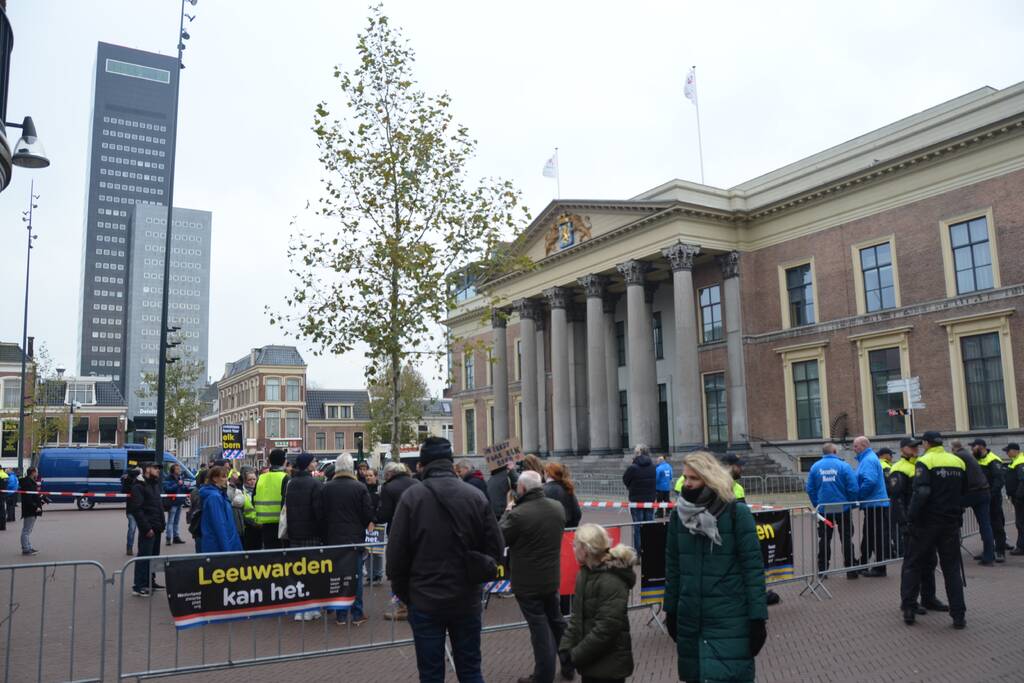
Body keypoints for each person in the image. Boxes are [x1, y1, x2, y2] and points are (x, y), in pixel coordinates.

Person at [386, 437, 504, 682]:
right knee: (471, 669)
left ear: (423, 464)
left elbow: (396, 554)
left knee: (431, 674)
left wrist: (406, 594)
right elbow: (496, 546)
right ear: (450, 462)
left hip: (425, 598)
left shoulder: (412, 498)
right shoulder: (475, 496)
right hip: (466, 597)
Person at [665, 452, 768, 682]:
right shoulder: (677, 517)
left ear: (710, 479)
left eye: (693, 478)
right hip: (691, 616)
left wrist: (757, 618)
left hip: (729, 616)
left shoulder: (736, 513)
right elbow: (673, 568)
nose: (686, 484)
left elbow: (752, 569)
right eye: (685, 477)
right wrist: (670, 609)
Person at [500, 470, 567, 683]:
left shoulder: (518, 514)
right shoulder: (557, 508)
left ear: (522, 489)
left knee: (539, 629)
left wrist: (507, 511)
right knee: (557, 621)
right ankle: (569, 664)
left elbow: (500, 536)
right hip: (551, 576)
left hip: (527, 581)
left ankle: (543, 675)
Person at [900, 431, 967, 628]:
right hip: (950, 523)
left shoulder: (925, 461)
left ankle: (909, 609)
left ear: (927, 443)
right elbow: (964, 490)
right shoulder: (957, 461)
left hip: (926, 523)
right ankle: (958, 615)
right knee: (952, 569)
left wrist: (911, 516)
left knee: (913, 564)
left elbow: (921, 492)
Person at [559, 523, 636, 683]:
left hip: (610, 666)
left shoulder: (611, 580)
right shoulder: (584, 574)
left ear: (585, 550)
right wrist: (565, 647)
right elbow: (577, 617)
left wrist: (576, 655)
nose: (572, 548)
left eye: (575, 545)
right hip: (591, 661)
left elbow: (606, 628)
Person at [323, 454, 374, 627]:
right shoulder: (359, 488)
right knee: (356, 577)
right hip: (354, 539)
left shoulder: (327, 488)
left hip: (333, 539)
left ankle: (341, 615)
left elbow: (319, 513)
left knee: (338, 577)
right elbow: (368, 514)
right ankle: (357, 613)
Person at [806, 443, 859, 579]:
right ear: (835, 451)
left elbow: (810, 489)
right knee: (846, 538)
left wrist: (817, 504)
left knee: (824, 539)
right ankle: (851, 570)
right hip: (843, 508)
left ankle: (823, 570)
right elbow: (853, 487)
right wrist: (852, 503)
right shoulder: (844, 466)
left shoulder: (815, 467)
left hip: (824, 509)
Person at [377, 461, 419, 621]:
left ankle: (403, 608)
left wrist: (375, 515)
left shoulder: (389, 488)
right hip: (417, 531)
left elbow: (384, 515)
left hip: (398, 534)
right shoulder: (417, 483)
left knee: (398, 570)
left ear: (390, 474)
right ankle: (416, 604)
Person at [949, 439, 994, 566]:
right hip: (984, 491)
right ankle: (989, 553)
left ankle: (952, 547)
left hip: (974, 492)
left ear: (953, 448)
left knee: (952, 511)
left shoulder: (958, 457)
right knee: (985, 524)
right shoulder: (967, 455)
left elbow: (959, 476)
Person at [127, 458, 166, 596]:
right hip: (148, 528)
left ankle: (150, 580)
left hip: (156, 527)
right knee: (144, 556)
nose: (158, 470)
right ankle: (139, 585)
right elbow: (137, 509)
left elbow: (157, 506)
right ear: (147, 469)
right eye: (155, 468)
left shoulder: (154, 485)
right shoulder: (139, 486)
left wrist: (162, 523)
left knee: (154, 557)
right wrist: (146, 528)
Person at [853, 436, 890, 576]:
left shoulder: (868, 460)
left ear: (863, 446)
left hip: (875, 504)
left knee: (875, 536)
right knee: (870, 535)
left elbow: (869, 481)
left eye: (855, 446)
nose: (853, 449)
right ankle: (863, 563)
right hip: (874, 504)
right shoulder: (867, 459)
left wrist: (859, 496)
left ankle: (880, 568)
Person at [971, 438, 1007, 562]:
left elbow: (999, 480)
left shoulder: (993, 460)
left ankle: (1000, 551)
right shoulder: (977, 459)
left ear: (981, 447)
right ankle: (988, 549)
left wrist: (991, 495)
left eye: (973, 447)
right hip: (981, 498)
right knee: (984, 525)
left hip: (993, 498)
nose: (971, 449)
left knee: (996, 523)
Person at [198, 466, 243, 553]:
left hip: (226, 542)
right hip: (220, 545)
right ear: (215, 478)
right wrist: (226, 549)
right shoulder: (214, 497)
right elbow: (219, 524)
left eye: (226, 476)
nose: (226, 479)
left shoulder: (219, 494)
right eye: (223, 476)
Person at [253, 449, 290, 549]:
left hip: (264, 524)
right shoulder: (285, 478)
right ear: (284, 461)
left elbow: (254, 498)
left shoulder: (261, 477)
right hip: (281, 523)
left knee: (270, 555)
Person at [622, 444, 656, 553]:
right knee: (650, 526)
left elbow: (625, 479)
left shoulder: (633, 467)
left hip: (636, 501)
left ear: (638, 454)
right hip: (650, 500)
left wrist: (630, 487)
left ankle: (638, 552)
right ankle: (650, 550)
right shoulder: (653, 467)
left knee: (638, 528)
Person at [543, 462, 582, 528]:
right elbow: (577, 514)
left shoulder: (543, 489)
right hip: (568, 529)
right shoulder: (567, 488)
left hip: (550, 530)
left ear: (547, 473)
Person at [19, 467, 44, 555]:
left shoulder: (29, 482)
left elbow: (33, 496)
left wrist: (41, 500)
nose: (37, 474)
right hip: (30, 509)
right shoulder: (28, 483)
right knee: (26, 530)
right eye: (37, 472)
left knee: (28, 530)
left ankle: (28, 546)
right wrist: (35, 506)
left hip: (31, 509)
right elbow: (28, 498)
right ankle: (26, 549)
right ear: (33, 472)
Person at [1005, 443, 1024, 556]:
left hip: (1020, 499)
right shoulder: (1016, 461)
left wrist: (1018, 496)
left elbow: (1023, 480)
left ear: (1014, 450)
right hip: (1018, 497)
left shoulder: (1020, 461)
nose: (1006, 453)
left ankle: (1021, 547)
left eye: (1008, 451)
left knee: (1020, 522)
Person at [163, 463, 188, 546]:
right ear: (173, 470)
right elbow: (167, 489)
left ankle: (176, 537)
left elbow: (181, 489)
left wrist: (185, 487)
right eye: (177, 469)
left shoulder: (179, 478)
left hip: (179, 502)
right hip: (172, 502)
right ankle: (168, 538)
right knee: (171, 521)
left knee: (176, 521)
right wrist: (178, 484)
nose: (179, 470)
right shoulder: (168, 478)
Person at [239, 468, 261, 551]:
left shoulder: (260, 491)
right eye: (249, 479)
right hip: (248, 527)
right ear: (245, 481)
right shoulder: (241, 493)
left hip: (260, 525)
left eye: (254, 479)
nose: (252, 481)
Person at [122, 467, 142, 555]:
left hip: (141, 509)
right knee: (132, 529)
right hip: (132, 509)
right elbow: (124, 490)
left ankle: (140, 548)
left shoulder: (142, 482)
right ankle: (129, 548)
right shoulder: (129, 481)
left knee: (141, 530)